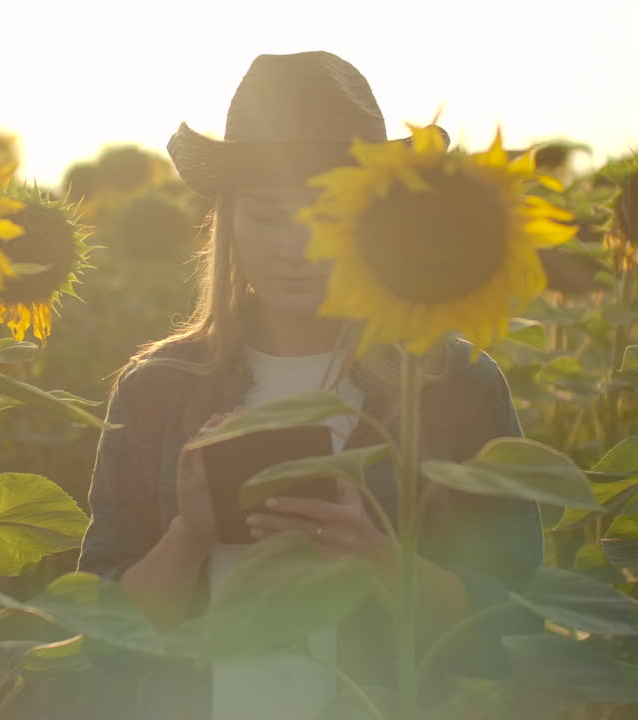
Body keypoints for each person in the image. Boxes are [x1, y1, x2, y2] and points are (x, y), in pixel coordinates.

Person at [75, 50, 542, 720]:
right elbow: (102, 638)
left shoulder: (449, 386)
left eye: (324, 211)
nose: (293, 244)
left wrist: (375, 556)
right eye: (266, 215)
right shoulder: (157, 391)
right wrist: (190, 534)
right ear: (229, 222)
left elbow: (510, 619)